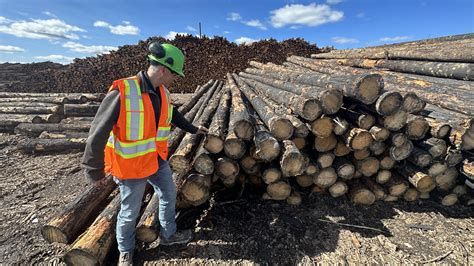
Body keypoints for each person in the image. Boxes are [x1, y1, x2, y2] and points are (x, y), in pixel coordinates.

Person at [81, 41, 208, 266]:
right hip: (131, 166)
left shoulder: (163, 92)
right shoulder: (123, 91)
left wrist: (194, 128)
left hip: (156, 160)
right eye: (174, 74)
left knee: (168, 195)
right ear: (163, 70)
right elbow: (97, 133)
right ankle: (126, 252)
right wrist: (93, 171)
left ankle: (169, 236)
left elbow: (173, 115)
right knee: (129, 212)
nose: (175, 79)